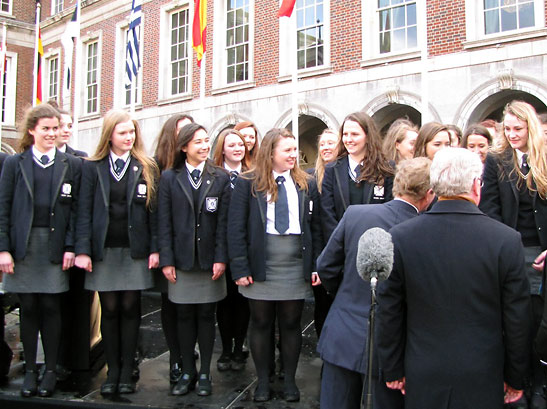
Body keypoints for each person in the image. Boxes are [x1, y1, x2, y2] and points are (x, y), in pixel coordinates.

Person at [377, 148, 531, 409]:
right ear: (475, 186)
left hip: (422, 370)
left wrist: (392, 368)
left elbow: (389, 310)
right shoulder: (506, 241)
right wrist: (516, 377)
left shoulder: (401, 237)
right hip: (482, 373)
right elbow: (517, 318)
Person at [317, 157, 434, 409]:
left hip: (343, 335)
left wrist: (347, 294)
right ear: (430, 193)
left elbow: (326, 266)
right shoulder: (426, 230)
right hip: (391, 348)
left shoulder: (356, 214)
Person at [227, 128, 322, 403]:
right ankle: (263, 381)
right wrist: (241, 267)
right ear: (271, 152)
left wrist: (315, 264)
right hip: (262, 261)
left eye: (295, 150)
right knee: (261, 322)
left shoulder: (307, 182)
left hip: (294, 261)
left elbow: (315, 227)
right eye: (288, 150)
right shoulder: (248, 182)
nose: (294, 155)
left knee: (291, 322)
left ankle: (290, 380)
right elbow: (236, 228)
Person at [75, 109, 159, 396]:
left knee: (130, 308)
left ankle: (127, 370)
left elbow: (154, 213)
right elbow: (83, 211)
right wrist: (82, 250)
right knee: (109, 309)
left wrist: (155, 249)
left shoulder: (145, 166)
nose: (129, 137)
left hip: (135, 249)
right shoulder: (92, 167)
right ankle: (112, 370)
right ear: (109, 135)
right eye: (123, 133)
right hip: (105, 250)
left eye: (132, 132)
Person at [0, 104, 81, 397]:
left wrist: (71, 246)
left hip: (54, 247)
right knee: (29, 308)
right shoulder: (14, 163)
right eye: (45, 128)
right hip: (23, 247)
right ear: (32, 130)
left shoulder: (70, 164)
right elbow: (4, 207)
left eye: (54, 128)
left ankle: (50, 370)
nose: (50, 133)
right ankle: (31, 372)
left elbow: (76, 212)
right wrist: (3, 250)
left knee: (51, 308)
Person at [480, 100, 547, 409]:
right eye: (507, 129)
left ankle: (537, 384)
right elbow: (490, 207)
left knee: (538, 324)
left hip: (542, 251)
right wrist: (502, 248)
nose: (512, 134)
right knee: (515, 321)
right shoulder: (496, 159)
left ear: (530, 126)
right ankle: (517, 383)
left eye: (518, 128)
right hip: (511, 250)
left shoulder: (544, 155)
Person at [158, 123, 230, 397]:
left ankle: (204, 374)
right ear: (184, 146)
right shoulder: (169, 178)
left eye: (206, 140)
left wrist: (221, 258)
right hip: (181, 260)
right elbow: (163, 222)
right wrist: (167, 260)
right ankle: (187, 369)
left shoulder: (219, 177)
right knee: (184, 315)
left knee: (206, 316)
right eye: (198, 141)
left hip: (210, 262)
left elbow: (223, 224)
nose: (204, 146)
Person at [152, 113, 194, 386]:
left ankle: (189, 353)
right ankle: (175, 357)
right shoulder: (155, 167)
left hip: (190, 249)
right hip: (165, 247)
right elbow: (155, 214)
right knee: (169, 305)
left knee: (189, 309)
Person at [321, 112, 394, 241]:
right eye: (345, 134)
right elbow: (327, 213)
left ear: (368, 136)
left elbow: (390, 209)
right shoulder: (332, 170)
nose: (349, 139)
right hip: (343, 245)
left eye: (355, 134)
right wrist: (339, 241)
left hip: (376, 243)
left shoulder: (386, 169)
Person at [212, 128, 251, 372]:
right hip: (220, 248)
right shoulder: (215, 176)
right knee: (224, 303)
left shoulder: (251, 175)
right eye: (232, 145)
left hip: (245, 248)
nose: (238, 148)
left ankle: (239, 347)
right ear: (222, 149)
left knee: (243, 302)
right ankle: (226, 349)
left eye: (240, 144)